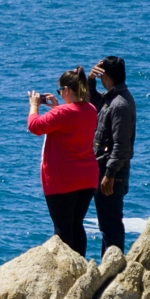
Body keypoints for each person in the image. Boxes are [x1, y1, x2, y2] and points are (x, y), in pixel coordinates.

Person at [27, 66, 99, 257]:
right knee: (76, 225)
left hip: (63, 179)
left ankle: (66, 273)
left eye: (61, 90)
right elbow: (71, 118)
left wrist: (34, 105)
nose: (60, 93)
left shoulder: (62, 114)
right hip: (86, 178)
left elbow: (34, 126)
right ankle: (81, 269)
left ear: (67, 90)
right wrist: (56, 106)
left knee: (62, 229)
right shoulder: (90, 109)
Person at [88, 56, 136, 255]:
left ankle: (113, 270)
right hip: (105, 171)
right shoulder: (112, 99)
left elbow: (122, 145)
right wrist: (90, 79)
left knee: (111, 226)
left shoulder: (120, 105)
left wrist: (110, 174)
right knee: (107, 225)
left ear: (105, 75)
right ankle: (109, 266)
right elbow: (93, 99)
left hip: (111, 176)